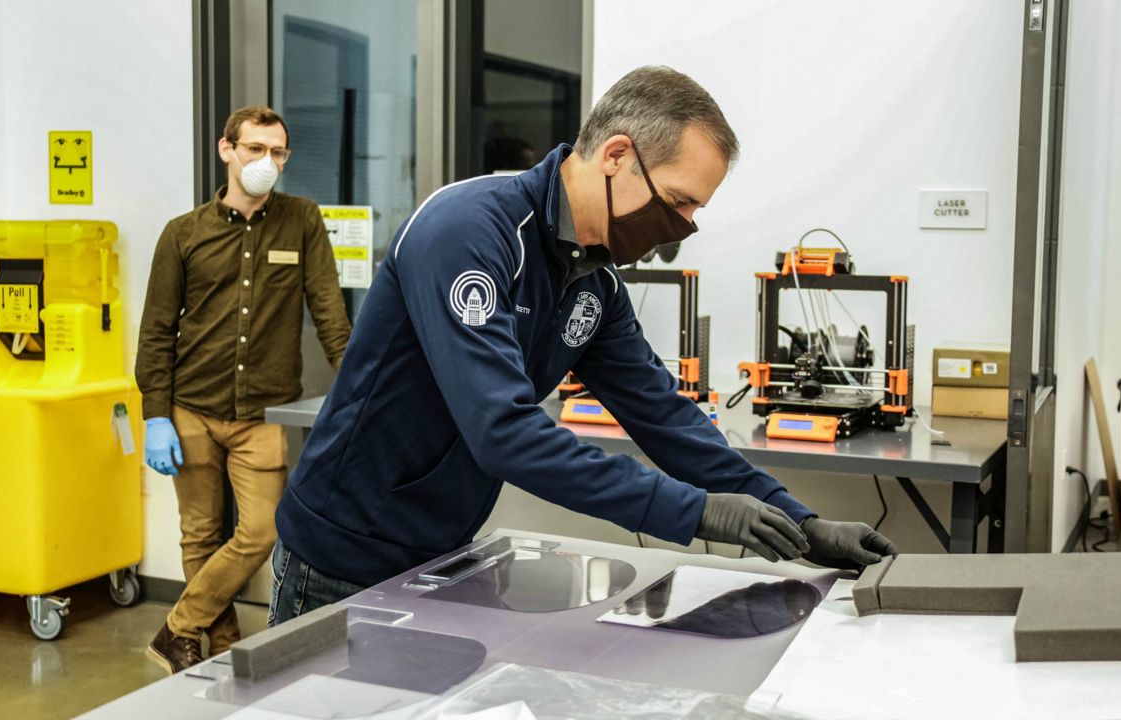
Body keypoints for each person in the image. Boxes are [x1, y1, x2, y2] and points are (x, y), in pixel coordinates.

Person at [270, 67, 895, 623]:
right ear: (618, 155)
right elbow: (504, 433)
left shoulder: (592, 281)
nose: (678, 229)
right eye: (677, 201)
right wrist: (697, 512)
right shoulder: (467, 232)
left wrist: (801, 523)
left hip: (441, 549)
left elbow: (666, 417)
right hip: (341, 556)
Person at [136, 106, 351, 672]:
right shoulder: (183, 233)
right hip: (191, 408)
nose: (267, 163)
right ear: (226, 149)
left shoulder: (301, 221)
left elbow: (329, 312)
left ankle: (178, 626)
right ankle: (220, 645)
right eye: (255, 149)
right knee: (200, 532)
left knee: (261, 530)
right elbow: (156, 330)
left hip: (263, 413)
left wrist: (359, 384)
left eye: (278, 152)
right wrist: (154, 414)